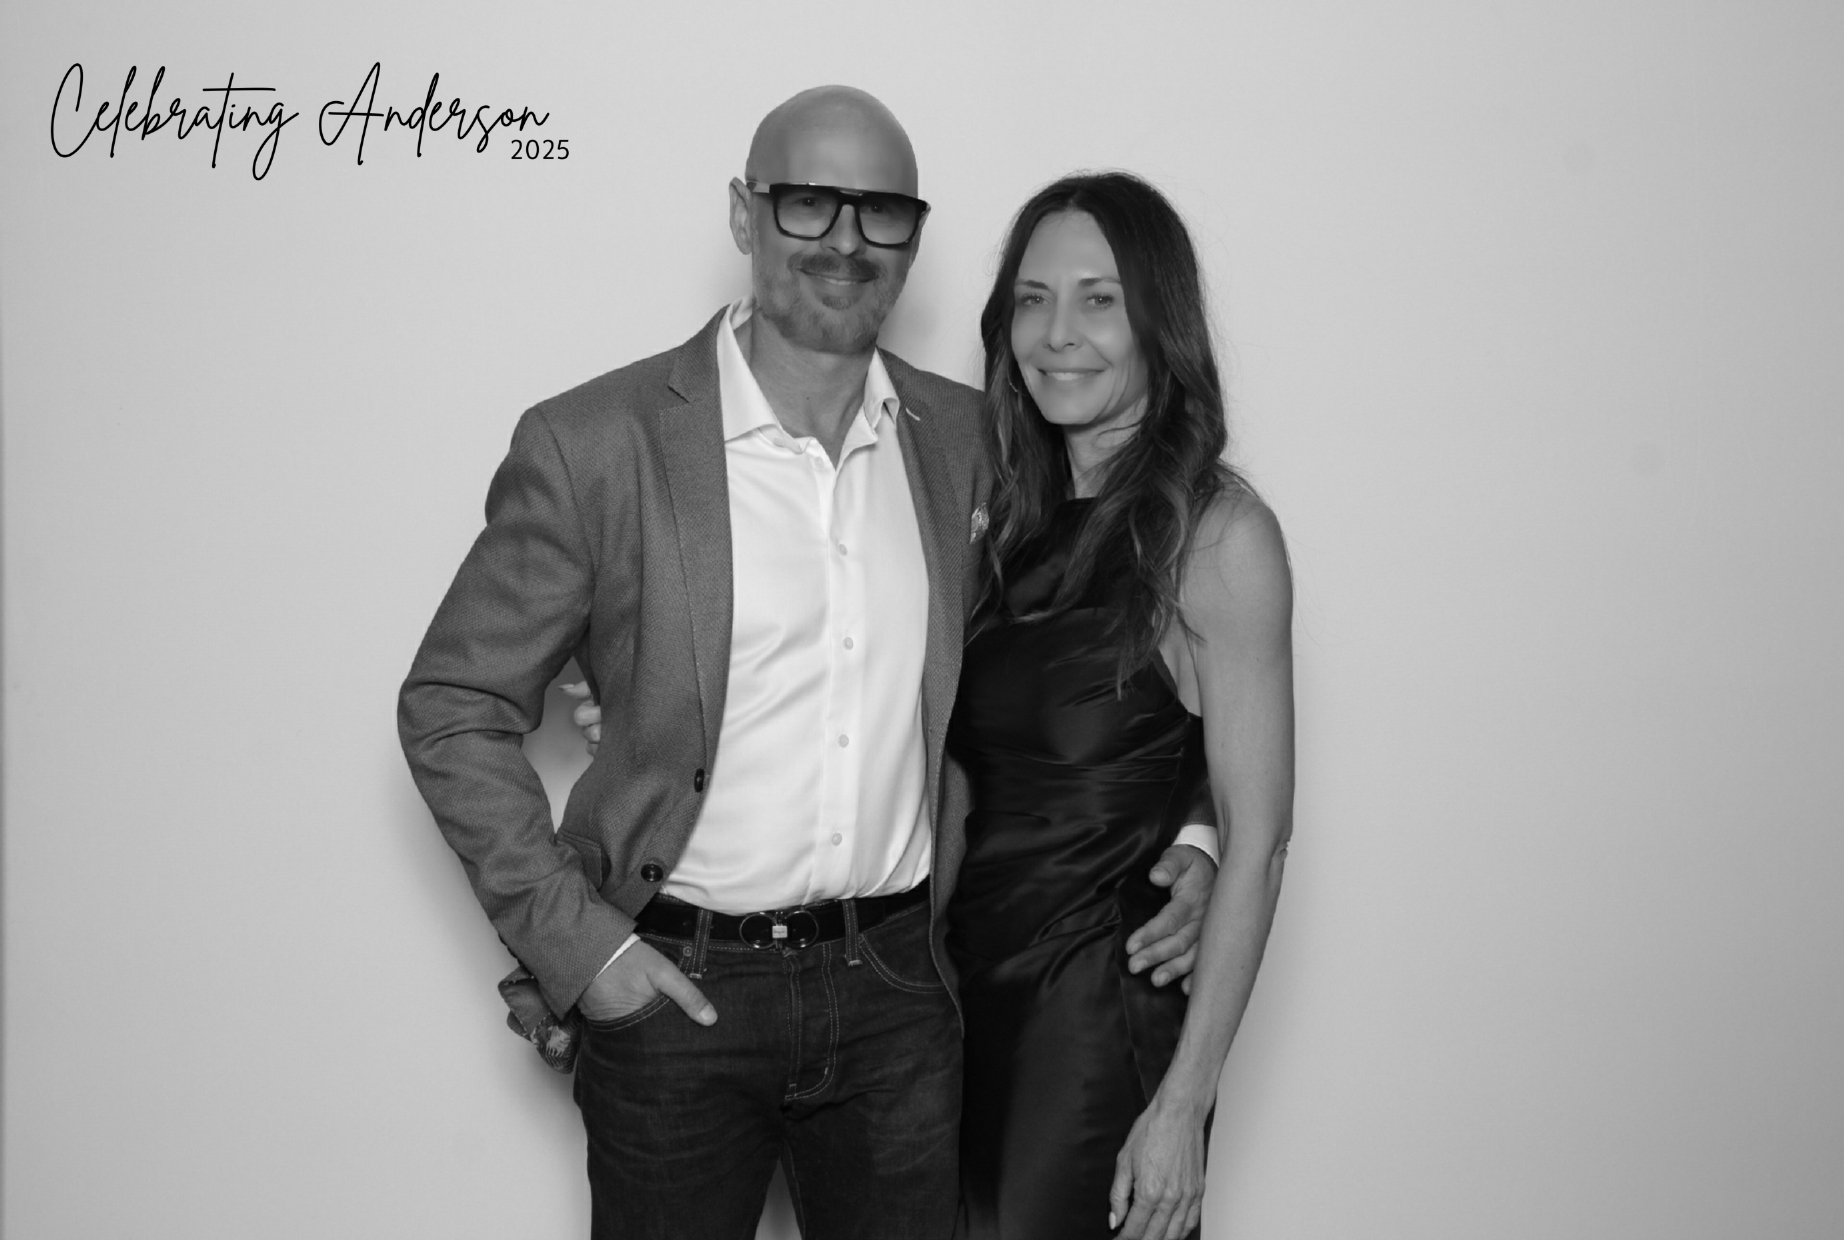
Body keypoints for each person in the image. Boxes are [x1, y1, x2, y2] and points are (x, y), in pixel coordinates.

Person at [397, 87, 1217, 1240]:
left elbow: (1093, 651)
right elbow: (451, 702)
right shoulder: (595, 444)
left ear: (913, 239)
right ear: (744, 214)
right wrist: (580, 949)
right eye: (806, 204)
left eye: (878, 211)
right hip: (675, 991)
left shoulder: (974, 442)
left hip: (901, 993)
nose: (843, 239)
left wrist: (1195, 832)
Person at [948, 173, 1294, 1240]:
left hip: (1095, 1026)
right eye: (1032, 299)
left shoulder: (1215, 536)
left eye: (1098, 299)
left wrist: (1183, 1105)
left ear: (1158, 322)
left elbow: (1260, 840)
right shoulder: (1006, 524)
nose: (1058, 333)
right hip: (966, 1010)